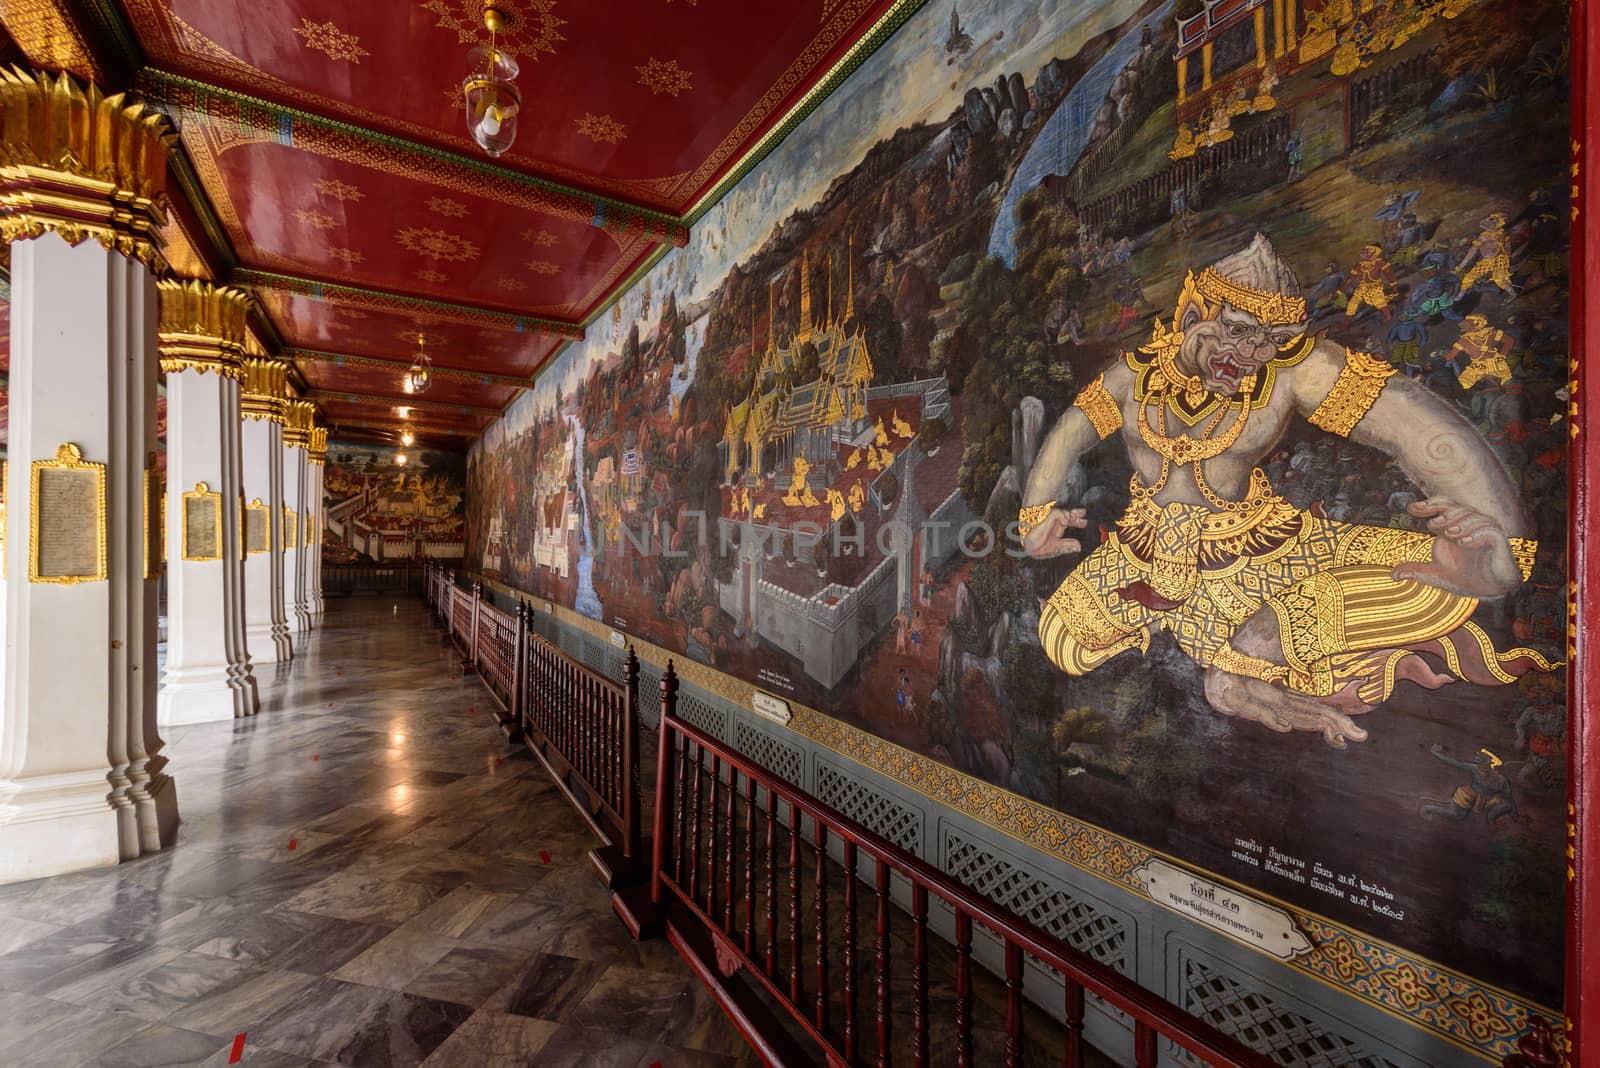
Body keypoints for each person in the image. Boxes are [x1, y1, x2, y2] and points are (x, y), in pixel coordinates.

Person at [1018, 234, 1552, 748]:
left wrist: (1501, 540)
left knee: (1452, 572)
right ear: (1191, 316)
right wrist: (1035, 514)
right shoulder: (1134, 376)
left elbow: (1416, 431)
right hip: (1141, 551)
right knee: (1063, 640)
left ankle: (1245, 661)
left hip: (1256, 553)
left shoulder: (1291, 370)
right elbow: (1071, 431)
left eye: (1270, 339)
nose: (1252, 352)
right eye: (1238, 331)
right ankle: (1241, 664)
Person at [1420, 745, 1516, 824]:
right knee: (1457, 816)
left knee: (1505, 805)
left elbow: (1508, 796)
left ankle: (1492, 821)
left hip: (1483, 801)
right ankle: (1428, 808)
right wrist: (1436, 753)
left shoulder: (1502, 780)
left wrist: (1515, 815)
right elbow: (1455, 763)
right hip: (1467, 796)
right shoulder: (1476, 769)